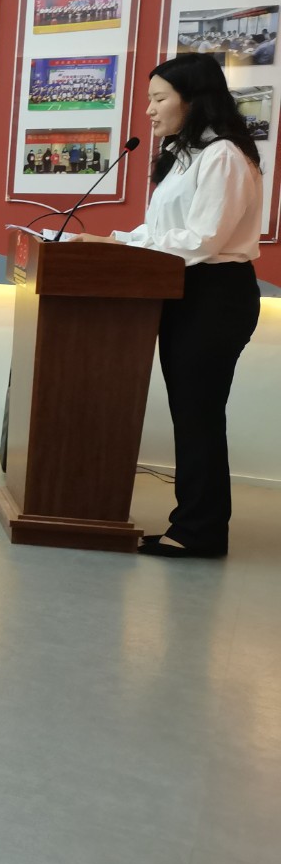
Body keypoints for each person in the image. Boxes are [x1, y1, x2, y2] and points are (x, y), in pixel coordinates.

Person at [76, 54, 263, 558]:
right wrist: (115, 241)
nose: (149, 111)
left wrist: (130, 247)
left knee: (199, 413)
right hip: (184, 291)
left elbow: (203, 239)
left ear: (193, 100)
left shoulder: (223, 155)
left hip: (215, 294)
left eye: (159, 99)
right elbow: (163, 232)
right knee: (190, 412)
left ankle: (200, 531)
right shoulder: (185, 155)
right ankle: (195, 523)